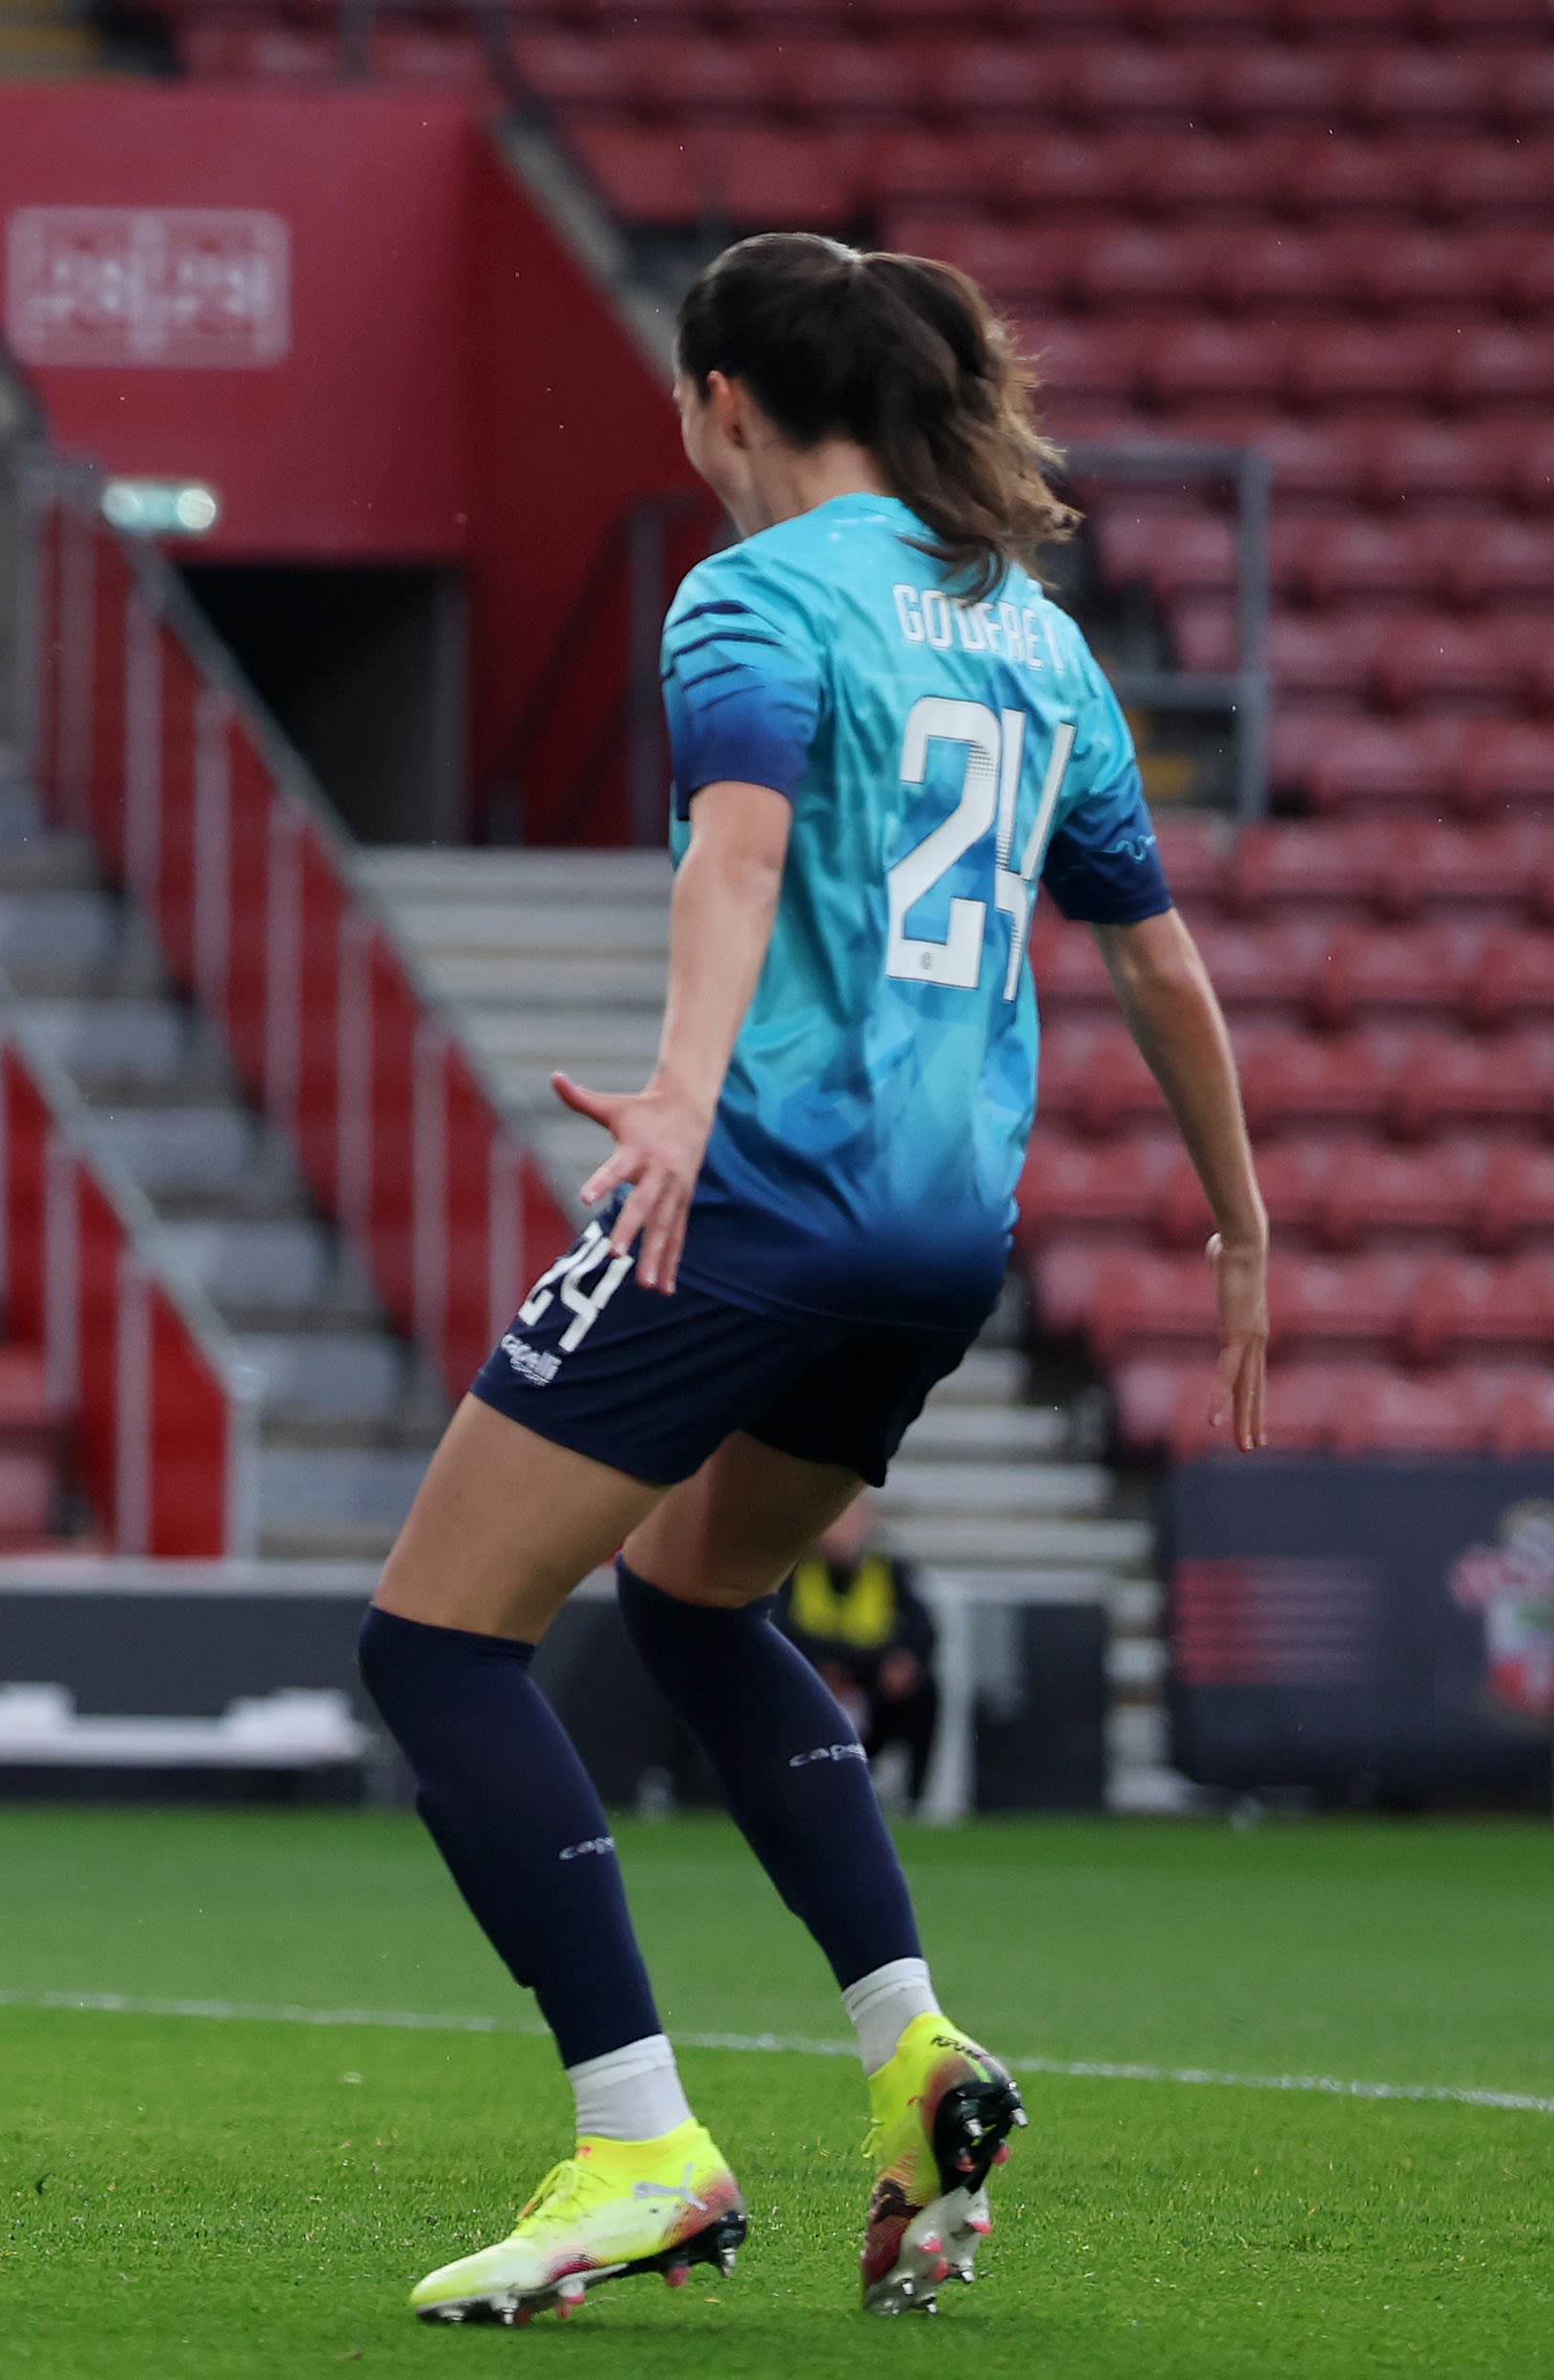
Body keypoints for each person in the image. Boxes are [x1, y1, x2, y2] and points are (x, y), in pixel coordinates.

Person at [358, 233, 1269, 2326]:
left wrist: (680, 1096)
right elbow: (1152, 958)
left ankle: (637, 2143)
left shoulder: (751, 597)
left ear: (721, 402)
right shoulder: (1030, 633)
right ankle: (910, 2045)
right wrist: (1237, 1224)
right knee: (693, 1598)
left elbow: (738, 848)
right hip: (947, 1237)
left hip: (764, 1195)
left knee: (434, 1645)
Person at [775, 1495, 941, 1808]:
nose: (843, 1533)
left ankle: (915, 1798)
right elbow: (781, 1628)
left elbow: (922, 1628)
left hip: (872, 1683)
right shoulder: (796, 1569)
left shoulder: (887, 1569)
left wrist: (902, 1661)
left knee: (924, 1690)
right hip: (812, 1682)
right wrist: (824, 1665)